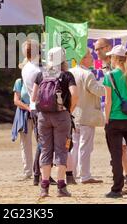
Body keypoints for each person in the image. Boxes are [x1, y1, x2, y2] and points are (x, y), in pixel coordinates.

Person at [31, 47, 78, 198]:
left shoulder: (41, 74)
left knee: (45, 150)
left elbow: (33, 98)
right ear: (63, 60)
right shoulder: (66, 75)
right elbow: (75, 94)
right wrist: (69, 109)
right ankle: (61, 187)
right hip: (61, 115)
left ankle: (44, 187)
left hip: (43, 117)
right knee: (61, 150)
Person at [103, 45, 127, 198]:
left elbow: (108, 102)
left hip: (115, 119)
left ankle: (117, 189)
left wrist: (106, 119)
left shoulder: (110, 76)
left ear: (115, 58)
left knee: (116, 155)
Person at [69, 48, 105, 184]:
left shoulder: (70, 72)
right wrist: (109, 88)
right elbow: (97, 90)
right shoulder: (87, 74)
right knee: (85, 146)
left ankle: (72, 173)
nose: (92, 59)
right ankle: (85, 175)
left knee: (75, 145)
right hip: (87, 114)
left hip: (74, 113)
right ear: (83, 59)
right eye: (90, 56)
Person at [20, 40, 44, 186]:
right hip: (41, 107)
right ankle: (38, 172)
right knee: (43, 141)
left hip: (33, 106)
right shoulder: (38, 71)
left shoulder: (26, 68)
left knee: (42, 140)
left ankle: (39, 172)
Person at [12, 59, 33, 180]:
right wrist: (28, 108)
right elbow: (16, 100)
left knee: (42, 143)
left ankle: (40, 169)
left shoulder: (37, 79)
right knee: (25, 143)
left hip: (38, 113)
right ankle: (28, 171)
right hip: (24, 114)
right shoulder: (19, 82)